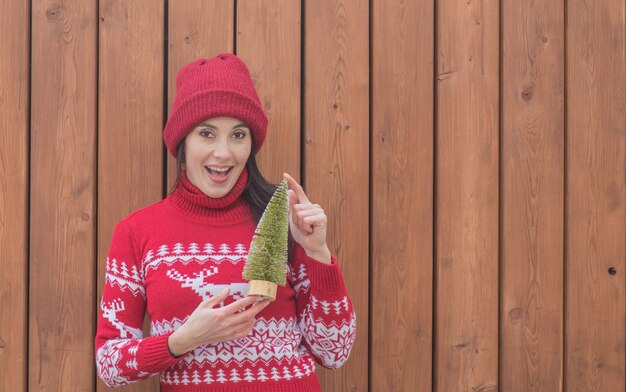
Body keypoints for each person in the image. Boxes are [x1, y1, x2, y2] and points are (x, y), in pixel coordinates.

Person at [95, 53, 356, 391]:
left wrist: (318, 253)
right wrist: (182, 340)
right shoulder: (136, 232)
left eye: (237, 135)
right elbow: (110, 364)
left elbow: (334, 352)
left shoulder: (284, 222)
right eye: (206, 134)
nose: (223, 153)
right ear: (182, 142)